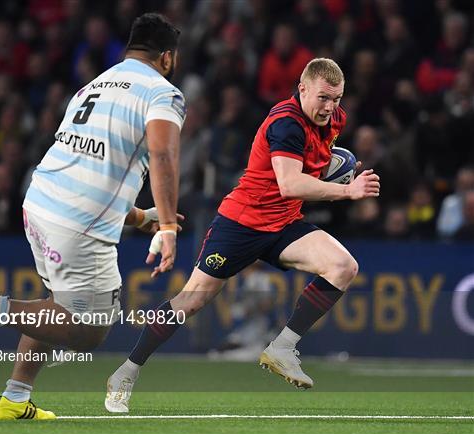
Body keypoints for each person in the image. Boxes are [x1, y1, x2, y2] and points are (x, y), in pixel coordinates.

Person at [0, 13, 186, 420]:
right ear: (167, 57)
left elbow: (92, 172)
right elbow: (162, 154)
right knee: (91, 330)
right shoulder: (163, 93)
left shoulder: (96, 84)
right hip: (78, 223)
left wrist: (142, 217)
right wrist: (171, 228)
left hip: (40, 202)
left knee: (57, 305)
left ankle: (13, 399)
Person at [105, 58, 380, 413]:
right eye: (323, 98)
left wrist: (332, 171)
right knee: (190, 302)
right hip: (241, 224)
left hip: (283, 224)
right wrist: (347, 191)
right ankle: (126, 372)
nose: (330, 107)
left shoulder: (333, 120)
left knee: (343, 266)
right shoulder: (286, 123)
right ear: (302, 89)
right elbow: (289, 182)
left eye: (337, 99)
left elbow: (310, 164)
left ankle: (282, 347)